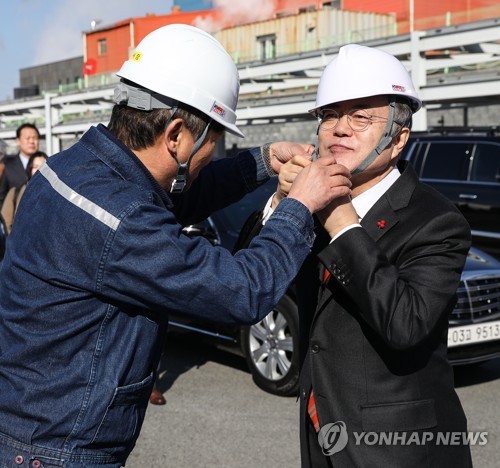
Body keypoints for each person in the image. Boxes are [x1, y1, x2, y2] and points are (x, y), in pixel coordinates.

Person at [0, 24, 352, 467]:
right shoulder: (119, 220)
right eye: (215, 142)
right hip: (57, 450)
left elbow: (175, 197)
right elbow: (241, 290)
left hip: (30, 428)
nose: (212, 155)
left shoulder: (76, 169)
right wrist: (300, 204)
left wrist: (262, 162)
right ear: (175, 135)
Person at [262, 44, 472, 467]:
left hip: (398, 449)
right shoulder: (307, 201)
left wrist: (341, 223)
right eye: (330, 114)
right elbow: (251, 284)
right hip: (322, 433)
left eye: (361, 116)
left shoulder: (437, 220)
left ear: (398, 138)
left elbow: (406, 324)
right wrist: (279, 204)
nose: (340, 128)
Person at [1, 151, 48, 233]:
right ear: (29, 169)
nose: (39, 170)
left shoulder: (55, 194)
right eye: (35, 166)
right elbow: (6, 223)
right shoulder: (15, 192)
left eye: (43, 166)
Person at [0, 123, 40, 207]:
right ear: (18, 141)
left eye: (35, 138)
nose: (32, 141)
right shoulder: (6, 165)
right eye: (27, 138)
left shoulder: (46, 164)